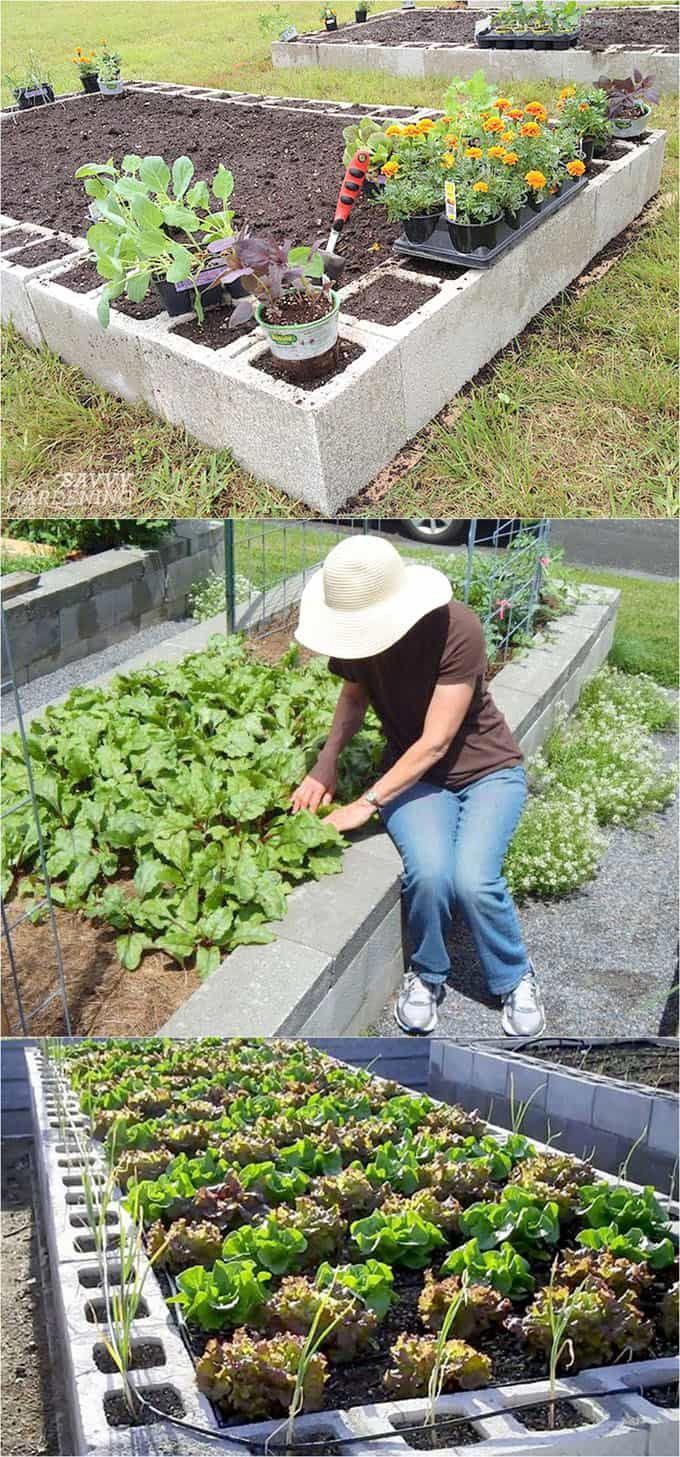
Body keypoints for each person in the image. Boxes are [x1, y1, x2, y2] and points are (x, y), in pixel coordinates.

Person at [291, 534, 545, 1037]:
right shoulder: (358, 637)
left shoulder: (457, 627)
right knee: (429, 874)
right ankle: (427, 976)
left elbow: (436, 741)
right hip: (416, 779)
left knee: (473, 879)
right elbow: (353, 699)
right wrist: (326, 761)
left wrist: (365, 804)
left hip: (487, 772)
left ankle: (515, 978)